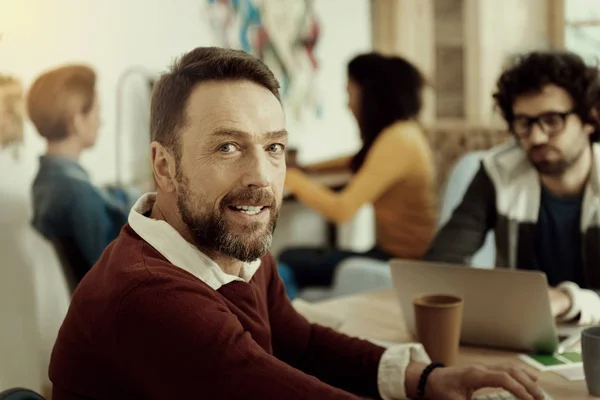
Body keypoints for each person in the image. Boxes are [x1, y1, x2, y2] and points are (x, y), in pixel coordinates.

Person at [47, 47, 544, 400]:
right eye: (228, 146)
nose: (261, 178)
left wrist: (426, 378)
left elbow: (299, 342)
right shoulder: (148, 297)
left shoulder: (232, 248)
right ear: (164, 165)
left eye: (274, 147)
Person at [425, 51, 600, 325]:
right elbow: (442, 264)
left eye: (553, 120)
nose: (536, 136)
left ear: (591, 118)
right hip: (519, 332)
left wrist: (568, 300)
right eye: (524, 123)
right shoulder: (497, 171)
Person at [279, 53, 437, 293]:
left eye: (349, 94)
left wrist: (289, 177)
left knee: (288, 258)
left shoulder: (397, 141)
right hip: (394, 255)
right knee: (297, 255)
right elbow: (354, 161)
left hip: (402, 264)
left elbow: (342, 209)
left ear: (369, 95)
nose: (348, 104)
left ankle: (289, 327)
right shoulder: (405, 133)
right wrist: (307, 168)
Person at [28, 65, 143, 281]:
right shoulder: (77, 193)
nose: (100, 122)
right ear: (78, 121)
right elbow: (117, 272)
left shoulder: (46, 182)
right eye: (97, 112)